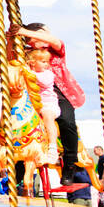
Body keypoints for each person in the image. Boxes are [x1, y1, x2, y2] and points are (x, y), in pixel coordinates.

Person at [12, 23, 85, 175]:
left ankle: (69, 163)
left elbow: (54, 40)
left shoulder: (55, 50)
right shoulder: (28, 53)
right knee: (20, 120)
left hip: (59, 92)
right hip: (34, 93)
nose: (47, 36)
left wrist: (24, 31)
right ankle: (19, 161)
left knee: (67, 121)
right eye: (42, 33)